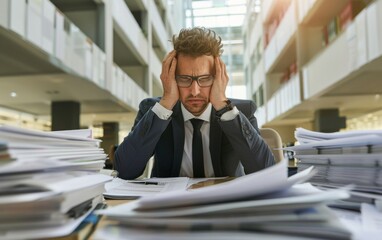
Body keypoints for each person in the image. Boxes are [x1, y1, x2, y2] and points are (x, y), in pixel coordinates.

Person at [115, 27, 275, 180]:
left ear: (218, 78)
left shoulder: (241, 111)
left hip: (224, 204)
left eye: (204, 79)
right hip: (170, 205)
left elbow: (265, 172)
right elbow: (125, 170)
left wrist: (223, 107)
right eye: (184, 79)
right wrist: (166, 104)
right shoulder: (155, 111)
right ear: (171, 79)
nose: (195, 91)